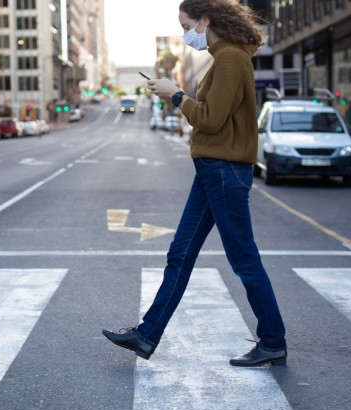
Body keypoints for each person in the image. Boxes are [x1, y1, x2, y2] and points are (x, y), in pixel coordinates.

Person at [102, 0, 287, 368]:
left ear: (205, 21)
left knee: (243, 259)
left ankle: (273, 341)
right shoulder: (225, 58)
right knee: (181, 253)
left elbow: (211, 119)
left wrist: (175, 95)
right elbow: (212, 116)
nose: (185, 34)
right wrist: (178, 95)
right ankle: (147, 334)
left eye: (185, 24)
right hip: (211, 171)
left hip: (223, 170)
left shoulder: (231, 58)